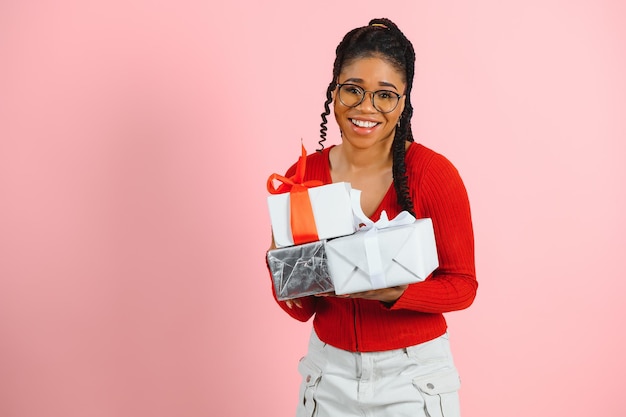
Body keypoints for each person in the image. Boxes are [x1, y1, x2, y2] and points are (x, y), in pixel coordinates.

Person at [267, 17, 477, 417]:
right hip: (327, 374)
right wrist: (281, 268)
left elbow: (463, 286)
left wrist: (390, 292)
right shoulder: (301, 178)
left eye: (385, 95)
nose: (366, 107)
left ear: (404, 101)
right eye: (353, 90)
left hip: (413, 376)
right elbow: (304, 309)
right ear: (334, 91)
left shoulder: (432, 174)